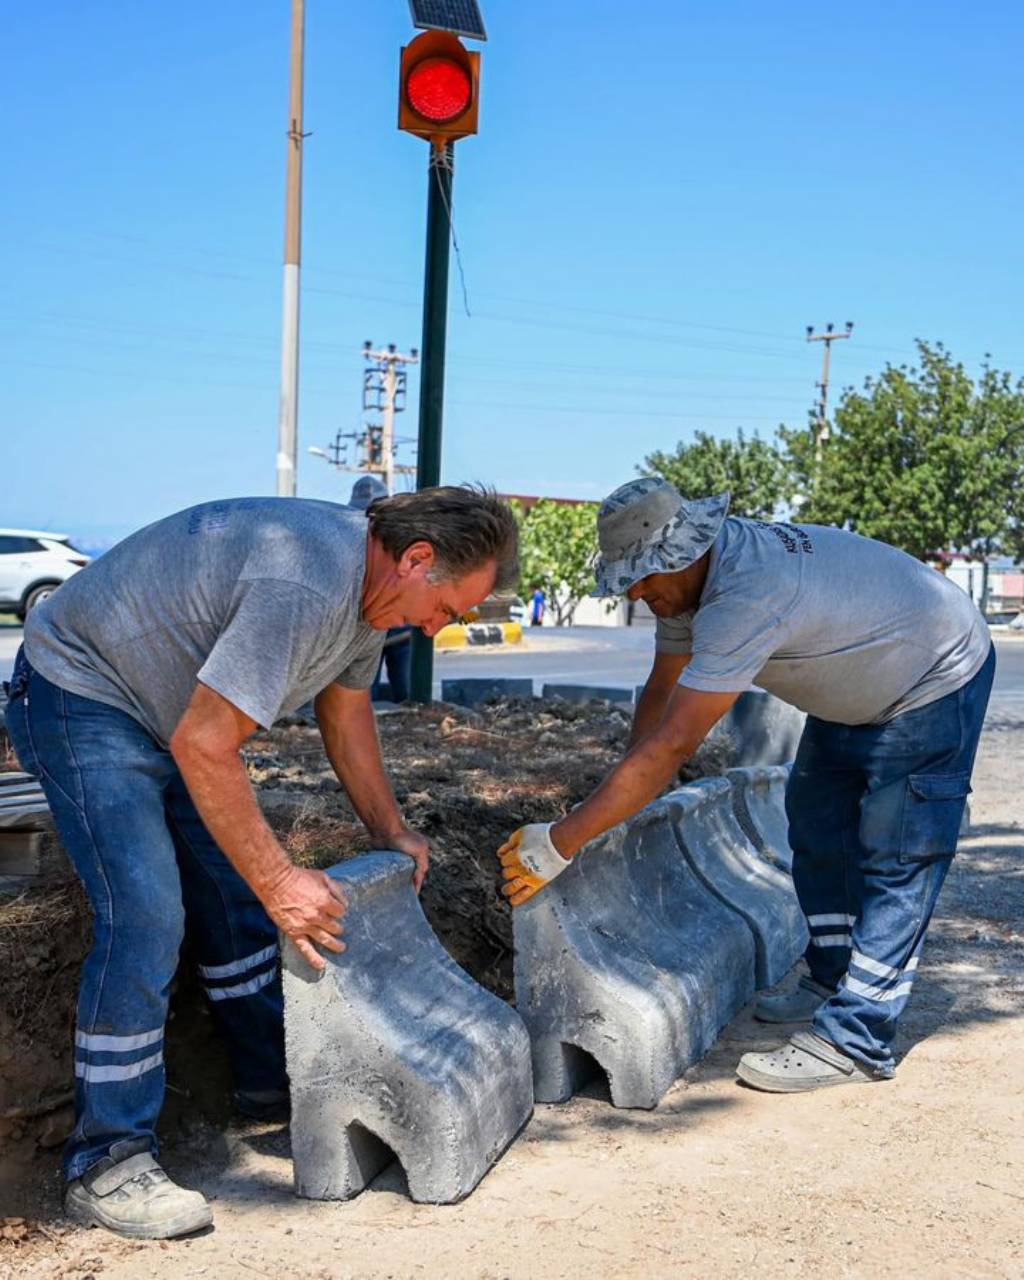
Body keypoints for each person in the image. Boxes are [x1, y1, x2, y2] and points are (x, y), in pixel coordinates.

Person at [4, 485, 518, 1240]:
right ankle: (106, 1158)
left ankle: (266, 1085)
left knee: (232, 896)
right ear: (416, 558)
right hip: (84, 692)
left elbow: (345, 711)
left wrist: (392, 830)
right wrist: (281, 880)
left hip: (172, 708)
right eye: (448, 609)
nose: (441, 629)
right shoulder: (305, 580)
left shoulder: (375, 596)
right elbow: (207, 745)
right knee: (148, 913)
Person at [498, 477, 993, 1095]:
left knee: (897, 855)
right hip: (857, 691)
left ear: (685, 554)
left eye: (646, 576)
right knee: (816, 824)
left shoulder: (745, 595)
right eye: (630, 578)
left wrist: (560, 842)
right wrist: (616, 804)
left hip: (933, 674)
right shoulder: (685, 591)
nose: (638, 590)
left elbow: (678, 742)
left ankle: (857, 1035)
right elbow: (662, 692)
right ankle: (833, 976)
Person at [348, 476, 413, 703]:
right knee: (362, 695)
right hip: (367, 632)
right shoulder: (350, 546)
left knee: (407, 691)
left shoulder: (403, 543)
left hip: (400, 632)